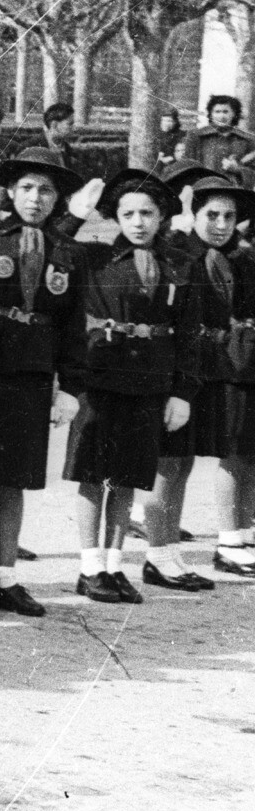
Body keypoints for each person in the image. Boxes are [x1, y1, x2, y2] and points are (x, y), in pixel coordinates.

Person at [60, 170, 196, 603]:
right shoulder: (94, 257)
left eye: (147, 213)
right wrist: (72, 216)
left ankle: (116, 565)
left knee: (127, 476)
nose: (138, 222)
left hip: (150, 382)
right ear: (115, 217)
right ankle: (89, 565)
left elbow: (189, 334)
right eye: (128, 213)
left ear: (162, 218)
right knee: (91, 473)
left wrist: (182, 392)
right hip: (99, 378)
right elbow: (58, 248)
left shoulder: (178, 263)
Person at [0, 146, 81, 616]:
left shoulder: (68, 251)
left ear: (57, 199)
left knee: (17, 478)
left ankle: (7, 575)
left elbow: (71, 324)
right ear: (9, 191)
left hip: (33, 370)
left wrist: (69, 386)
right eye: (26, 187)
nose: (35, 198)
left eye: (45, 190)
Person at [139, 164, 255, 592]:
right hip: (172, 371)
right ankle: (158, 554)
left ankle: (168, 554)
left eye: (228, 217)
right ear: (194, 213)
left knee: (181, 464)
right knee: (167, 465)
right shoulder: (177, 254)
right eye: (212, 216)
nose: (221, 225)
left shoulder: (225, 258)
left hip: (200, 370)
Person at [182, 95, 255, 175]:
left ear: (234, 114)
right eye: (217, 112)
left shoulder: (247, 139)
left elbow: (252, 173)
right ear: (211, 114)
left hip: (233, 186)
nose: (221, 116)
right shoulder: (196, 136)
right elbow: (186, 166)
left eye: (225, 112)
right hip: (204, 185)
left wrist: (237, 170)